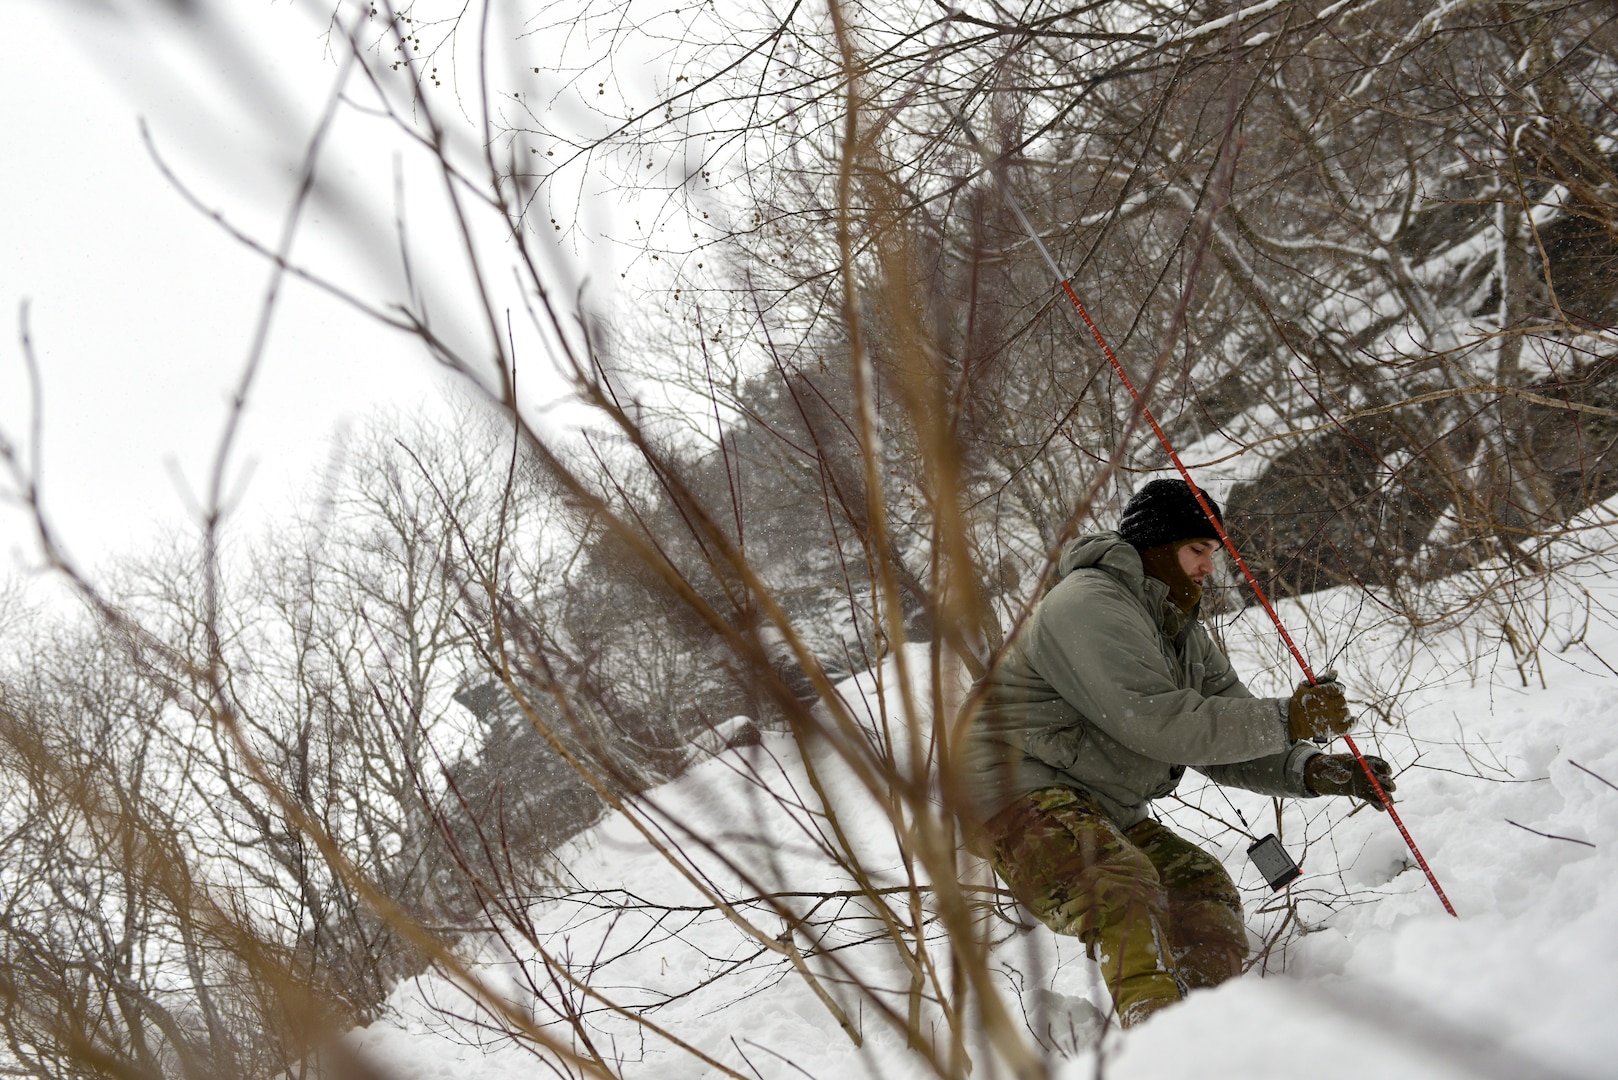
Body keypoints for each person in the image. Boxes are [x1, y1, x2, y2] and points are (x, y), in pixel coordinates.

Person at [961, 478, 1395, 1027]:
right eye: (1197, 551)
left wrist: (1313, 767)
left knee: (1199, 885)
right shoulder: (1087, 605)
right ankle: (1158, 1046)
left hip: (1099, 804)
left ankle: (1209, 1029)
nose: (1209, 568)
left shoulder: (1178, 630)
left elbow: (1227, 733)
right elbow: (1159, 723)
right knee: (1118, 882)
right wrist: (1290, 715)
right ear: (1156, 547)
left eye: (1213, 553)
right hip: (1013, 791)